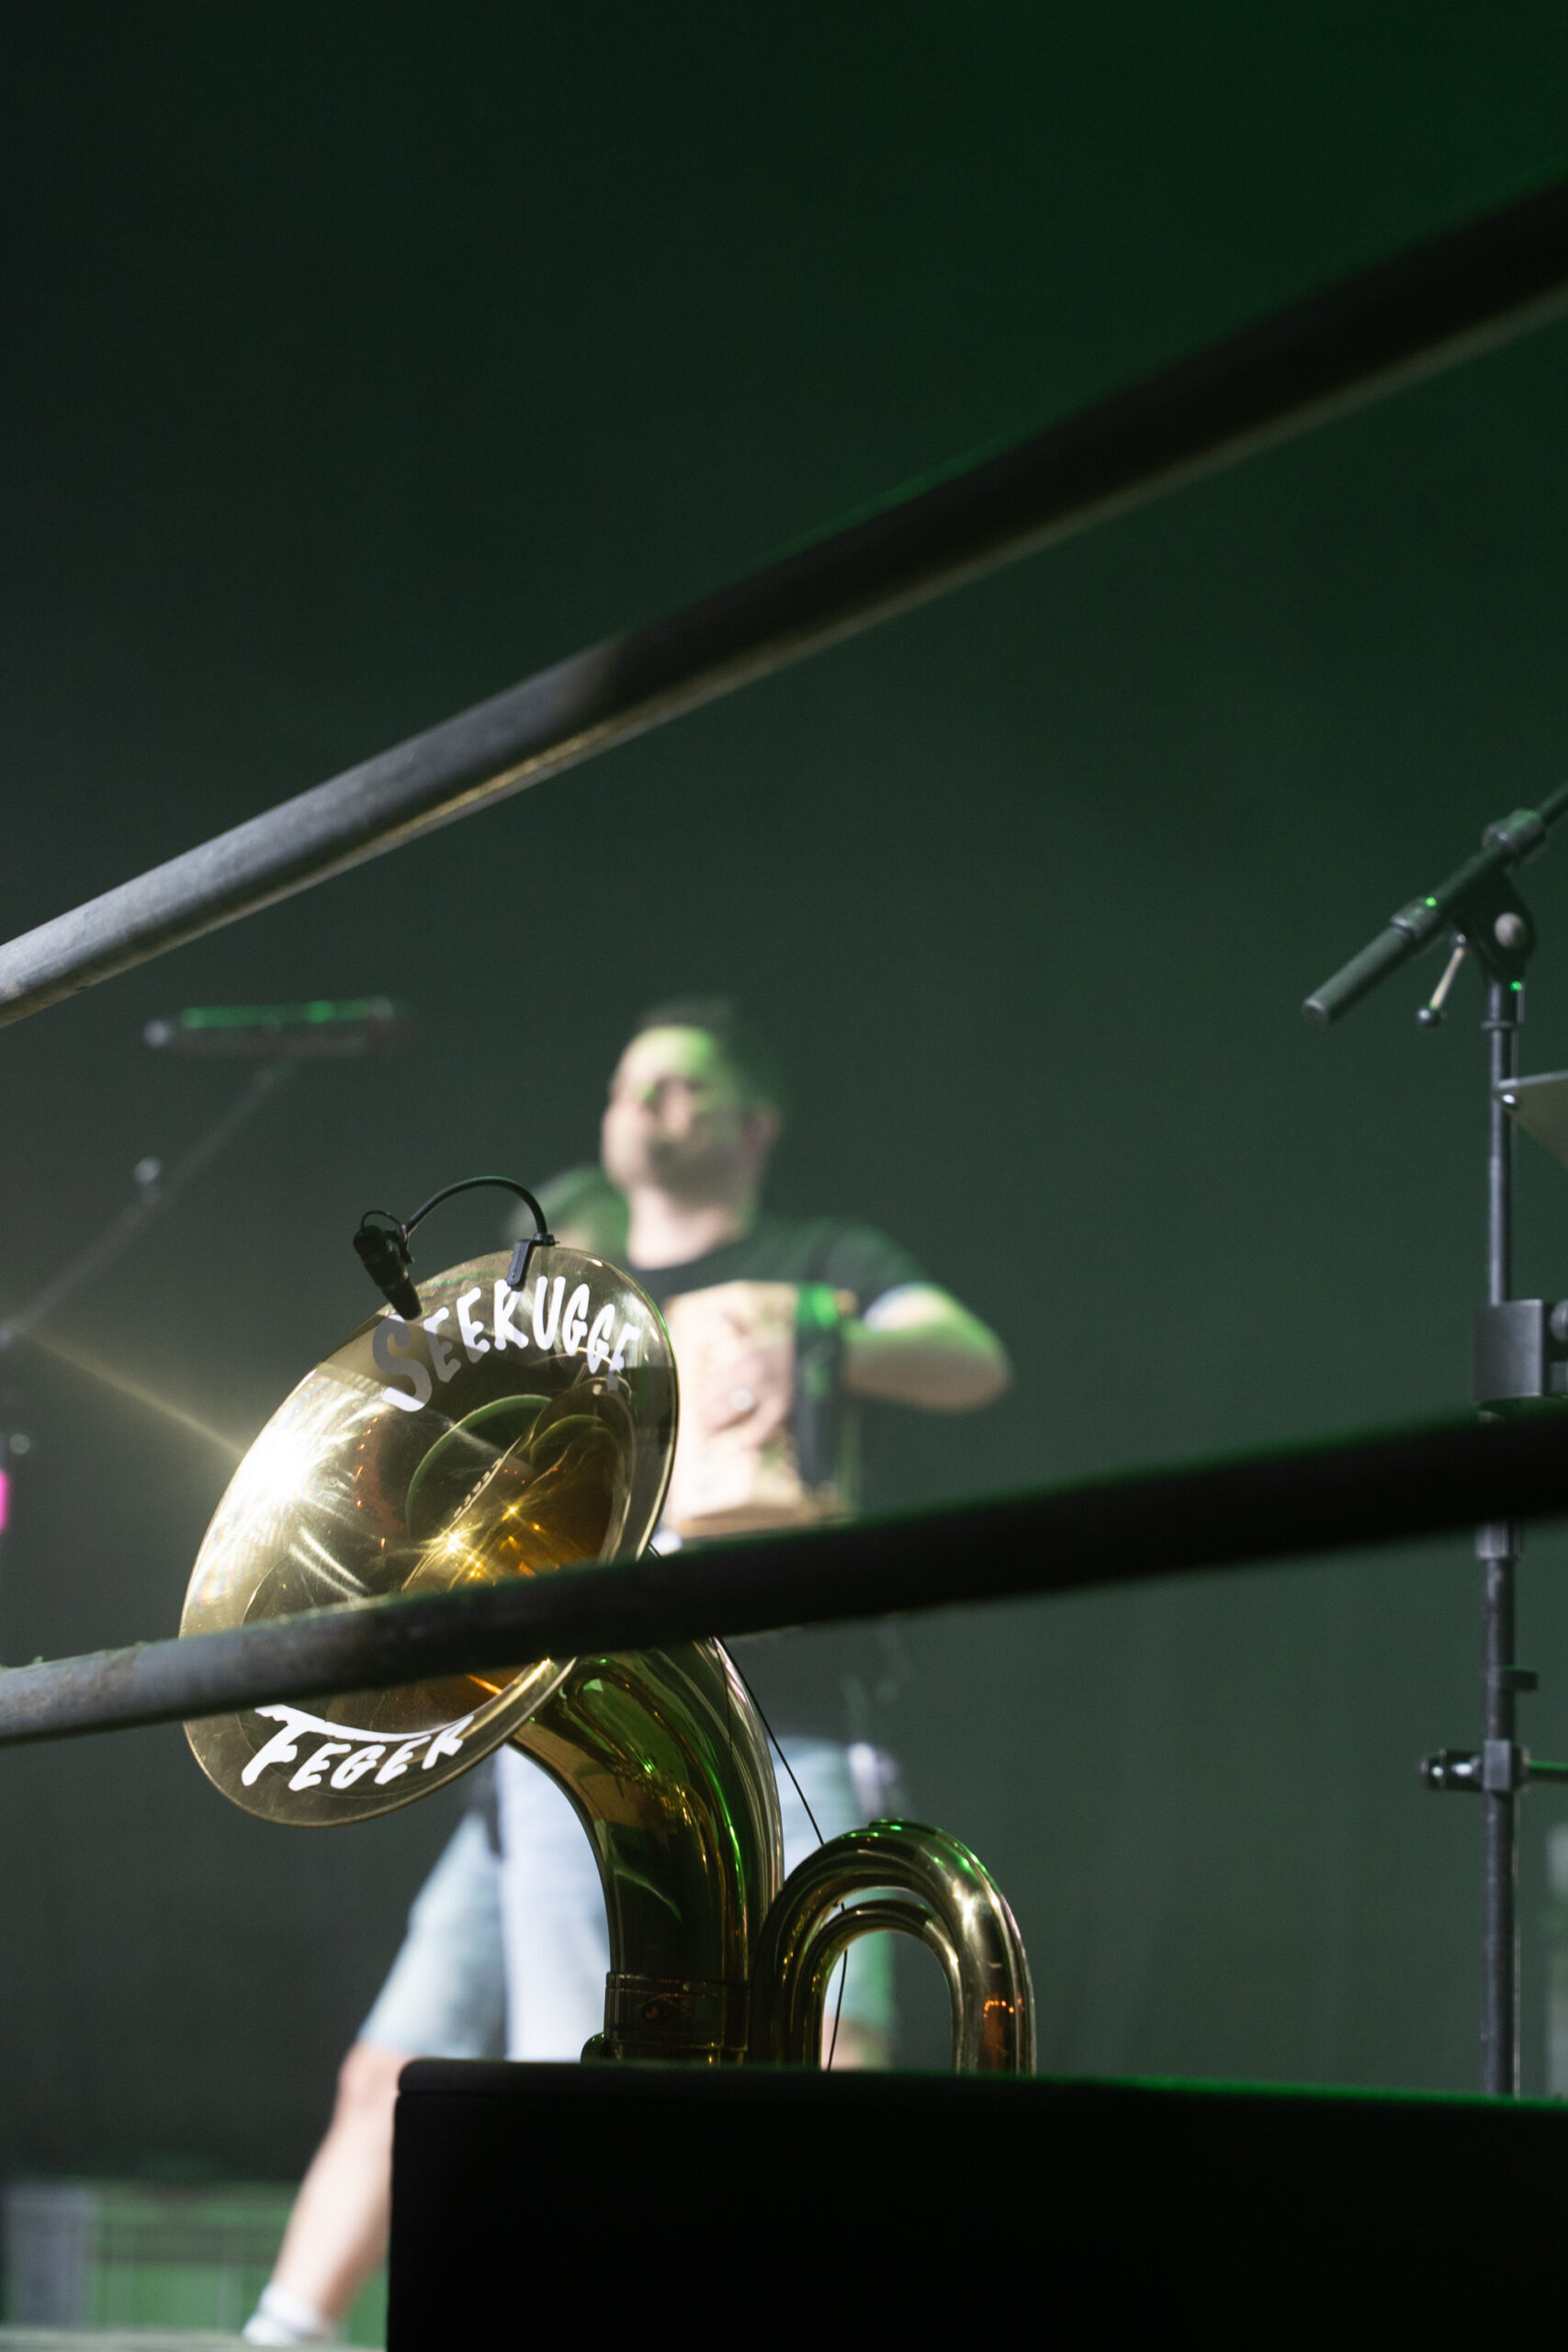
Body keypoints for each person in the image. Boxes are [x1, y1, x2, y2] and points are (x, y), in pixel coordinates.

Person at [244, 1005, 1009, 2346]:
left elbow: (969, 1359)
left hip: (774, 1719)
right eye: (628, 1086)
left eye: (679, 1087)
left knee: (828, 2043)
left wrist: (804, 1329)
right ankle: (284, 2336)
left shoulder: (820, 1259)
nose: (643, 1105)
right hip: (544, 1747)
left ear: (754, 1127)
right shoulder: (567, 1285)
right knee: (400, 2073)